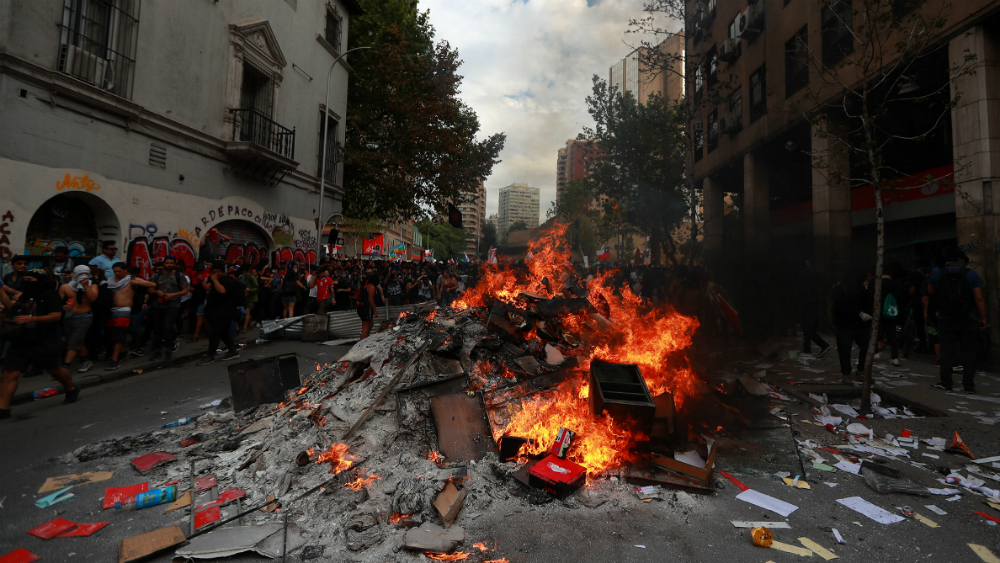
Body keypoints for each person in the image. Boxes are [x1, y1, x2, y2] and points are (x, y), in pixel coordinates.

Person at [1, 269, 80, 420]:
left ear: (40, 281)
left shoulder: (50, 296)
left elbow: (56, 316)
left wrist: (31, 319)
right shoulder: (25, 296)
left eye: (30, 279)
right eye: (25, 279)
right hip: (22, 340)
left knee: (55, 370)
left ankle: (71, 389)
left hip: (45, 340)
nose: (26, 282)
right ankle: (3, 408)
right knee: (9, 373)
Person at [927, 249, 987, 393]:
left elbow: (930, 292)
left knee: (947, 351)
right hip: (968, 318)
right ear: (961, 259)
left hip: (945, 318)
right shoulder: (971, 274)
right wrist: (983, 317)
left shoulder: (937, 272)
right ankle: (968, 385)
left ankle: (946, 382)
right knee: (969, 352)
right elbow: (979, 298)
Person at [101, 263, 156, 370]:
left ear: (126, 270)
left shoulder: (130, 280)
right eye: (115, 271)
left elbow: (152, 285)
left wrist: (137, 282)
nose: (117, 273)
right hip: (110, 311)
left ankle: (115, 360)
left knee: (118, 336)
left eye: (119, 271)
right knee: (109, 335)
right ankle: (121, 352)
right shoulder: (110, 280)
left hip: (124, 310)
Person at [831, 268, 872, 382]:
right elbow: (840, 307)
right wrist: (858, 313)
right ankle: (846, 373)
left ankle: (860, 370)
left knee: (865, 347)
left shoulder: (861, 289)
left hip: (859, 324)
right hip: (845, 324)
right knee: (845, 350)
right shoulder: (841, 289)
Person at [197, 261, 240, 364]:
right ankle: (232, 350)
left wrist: (215, 280)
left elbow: (222, 291)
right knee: (224, 333)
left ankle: (210, 355)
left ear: (223, 272)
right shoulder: (212, 281)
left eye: (219, 272)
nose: (216, 274)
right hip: (213, 313)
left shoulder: (226, 281)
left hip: (223, 313)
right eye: (214, 272)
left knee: (214, 333)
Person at [149, 256, 189, 361]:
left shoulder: (179, 275)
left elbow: (185, 290)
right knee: (157, 328)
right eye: (167, 263)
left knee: (168, 327)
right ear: (164, 264)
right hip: (158, 305)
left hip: (173, 305)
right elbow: (151, 289)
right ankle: (157, 351)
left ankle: (168, 350)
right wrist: (157, 292)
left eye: (171, 263)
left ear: (175, 264)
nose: (169, 265)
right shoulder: (157, 276)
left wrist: (173, 295)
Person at [58, 265, 99, 369]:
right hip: (69, 316)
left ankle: (65, 366)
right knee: (76, 340)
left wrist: (86, 286)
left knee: (74, 341)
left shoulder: (92, 286)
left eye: (85, 274)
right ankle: (86, 360)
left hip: (85, 317)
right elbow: (57, 303)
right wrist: (64, 306)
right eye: (80, 274)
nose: (83, 276)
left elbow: (93, 298)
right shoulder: (65, 287)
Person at [797, 261, 831, 357]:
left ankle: (823, 344)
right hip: (812, 304)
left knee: (809, 328)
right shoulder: (815, 275)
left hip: (808, 304)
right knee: (808, 328)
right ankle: (807, 348)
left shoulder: (805, 276)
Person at [357, 273, 378, 339]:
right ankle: (361, 342)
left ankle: (365, 338)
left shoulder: (366, 286)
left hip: (362, 307)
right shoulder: (371, 287)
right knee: (366, 327)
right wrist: (375, 311)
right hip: (366, 308)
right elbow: (370, 300)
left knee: (371, 324)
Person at [242, 265, 259, 332]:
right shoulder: (242, 278)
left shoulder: (251, 278)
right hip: (245, 297)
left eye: (245, 272)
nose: (243, 274)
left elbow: (256, 288)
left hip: (251, 297)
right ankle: (251, 323)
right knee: (247, 312)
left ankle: (245, 327)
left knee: (247, 312)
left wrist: (249, 290)